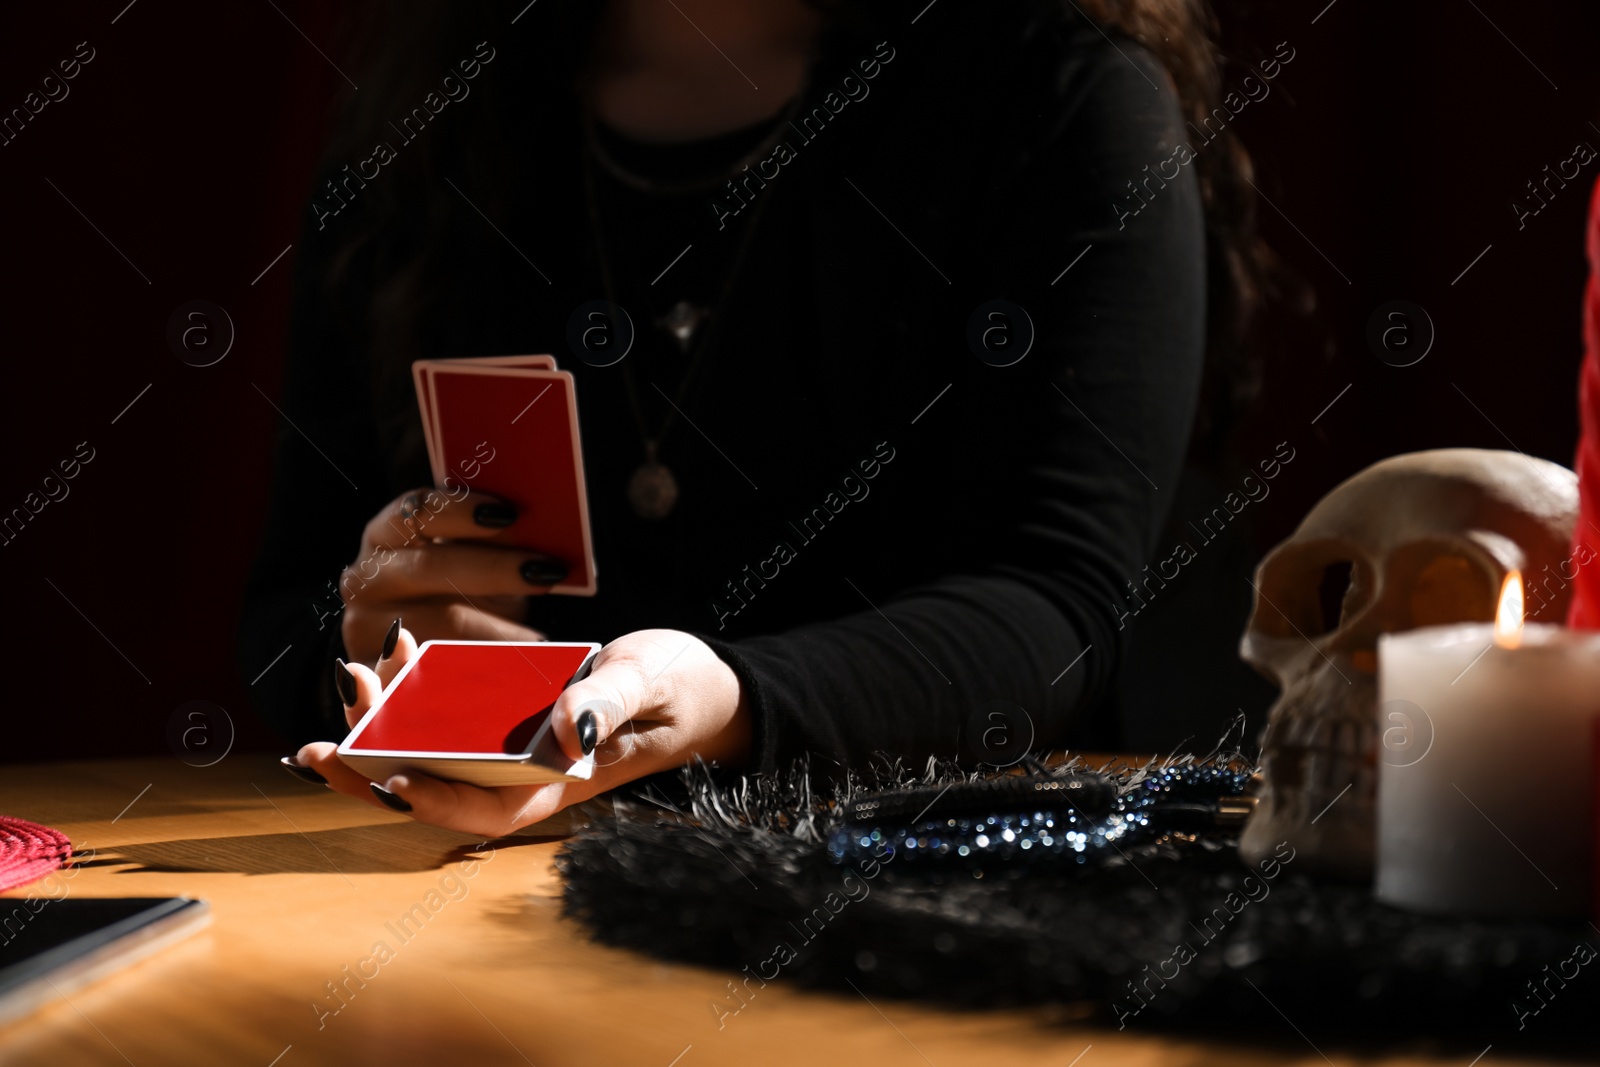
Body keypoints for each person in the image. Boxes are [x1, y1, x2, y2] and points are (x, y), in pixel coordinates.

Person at [239, 0, 1269, 837]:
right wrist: (380, 645)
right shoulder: (433, 103)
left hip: (930, 894)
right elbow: (292, 609)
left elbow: (1054, 610)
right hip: (468, 895)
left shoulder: (1060, 92)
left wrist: (726, 698)